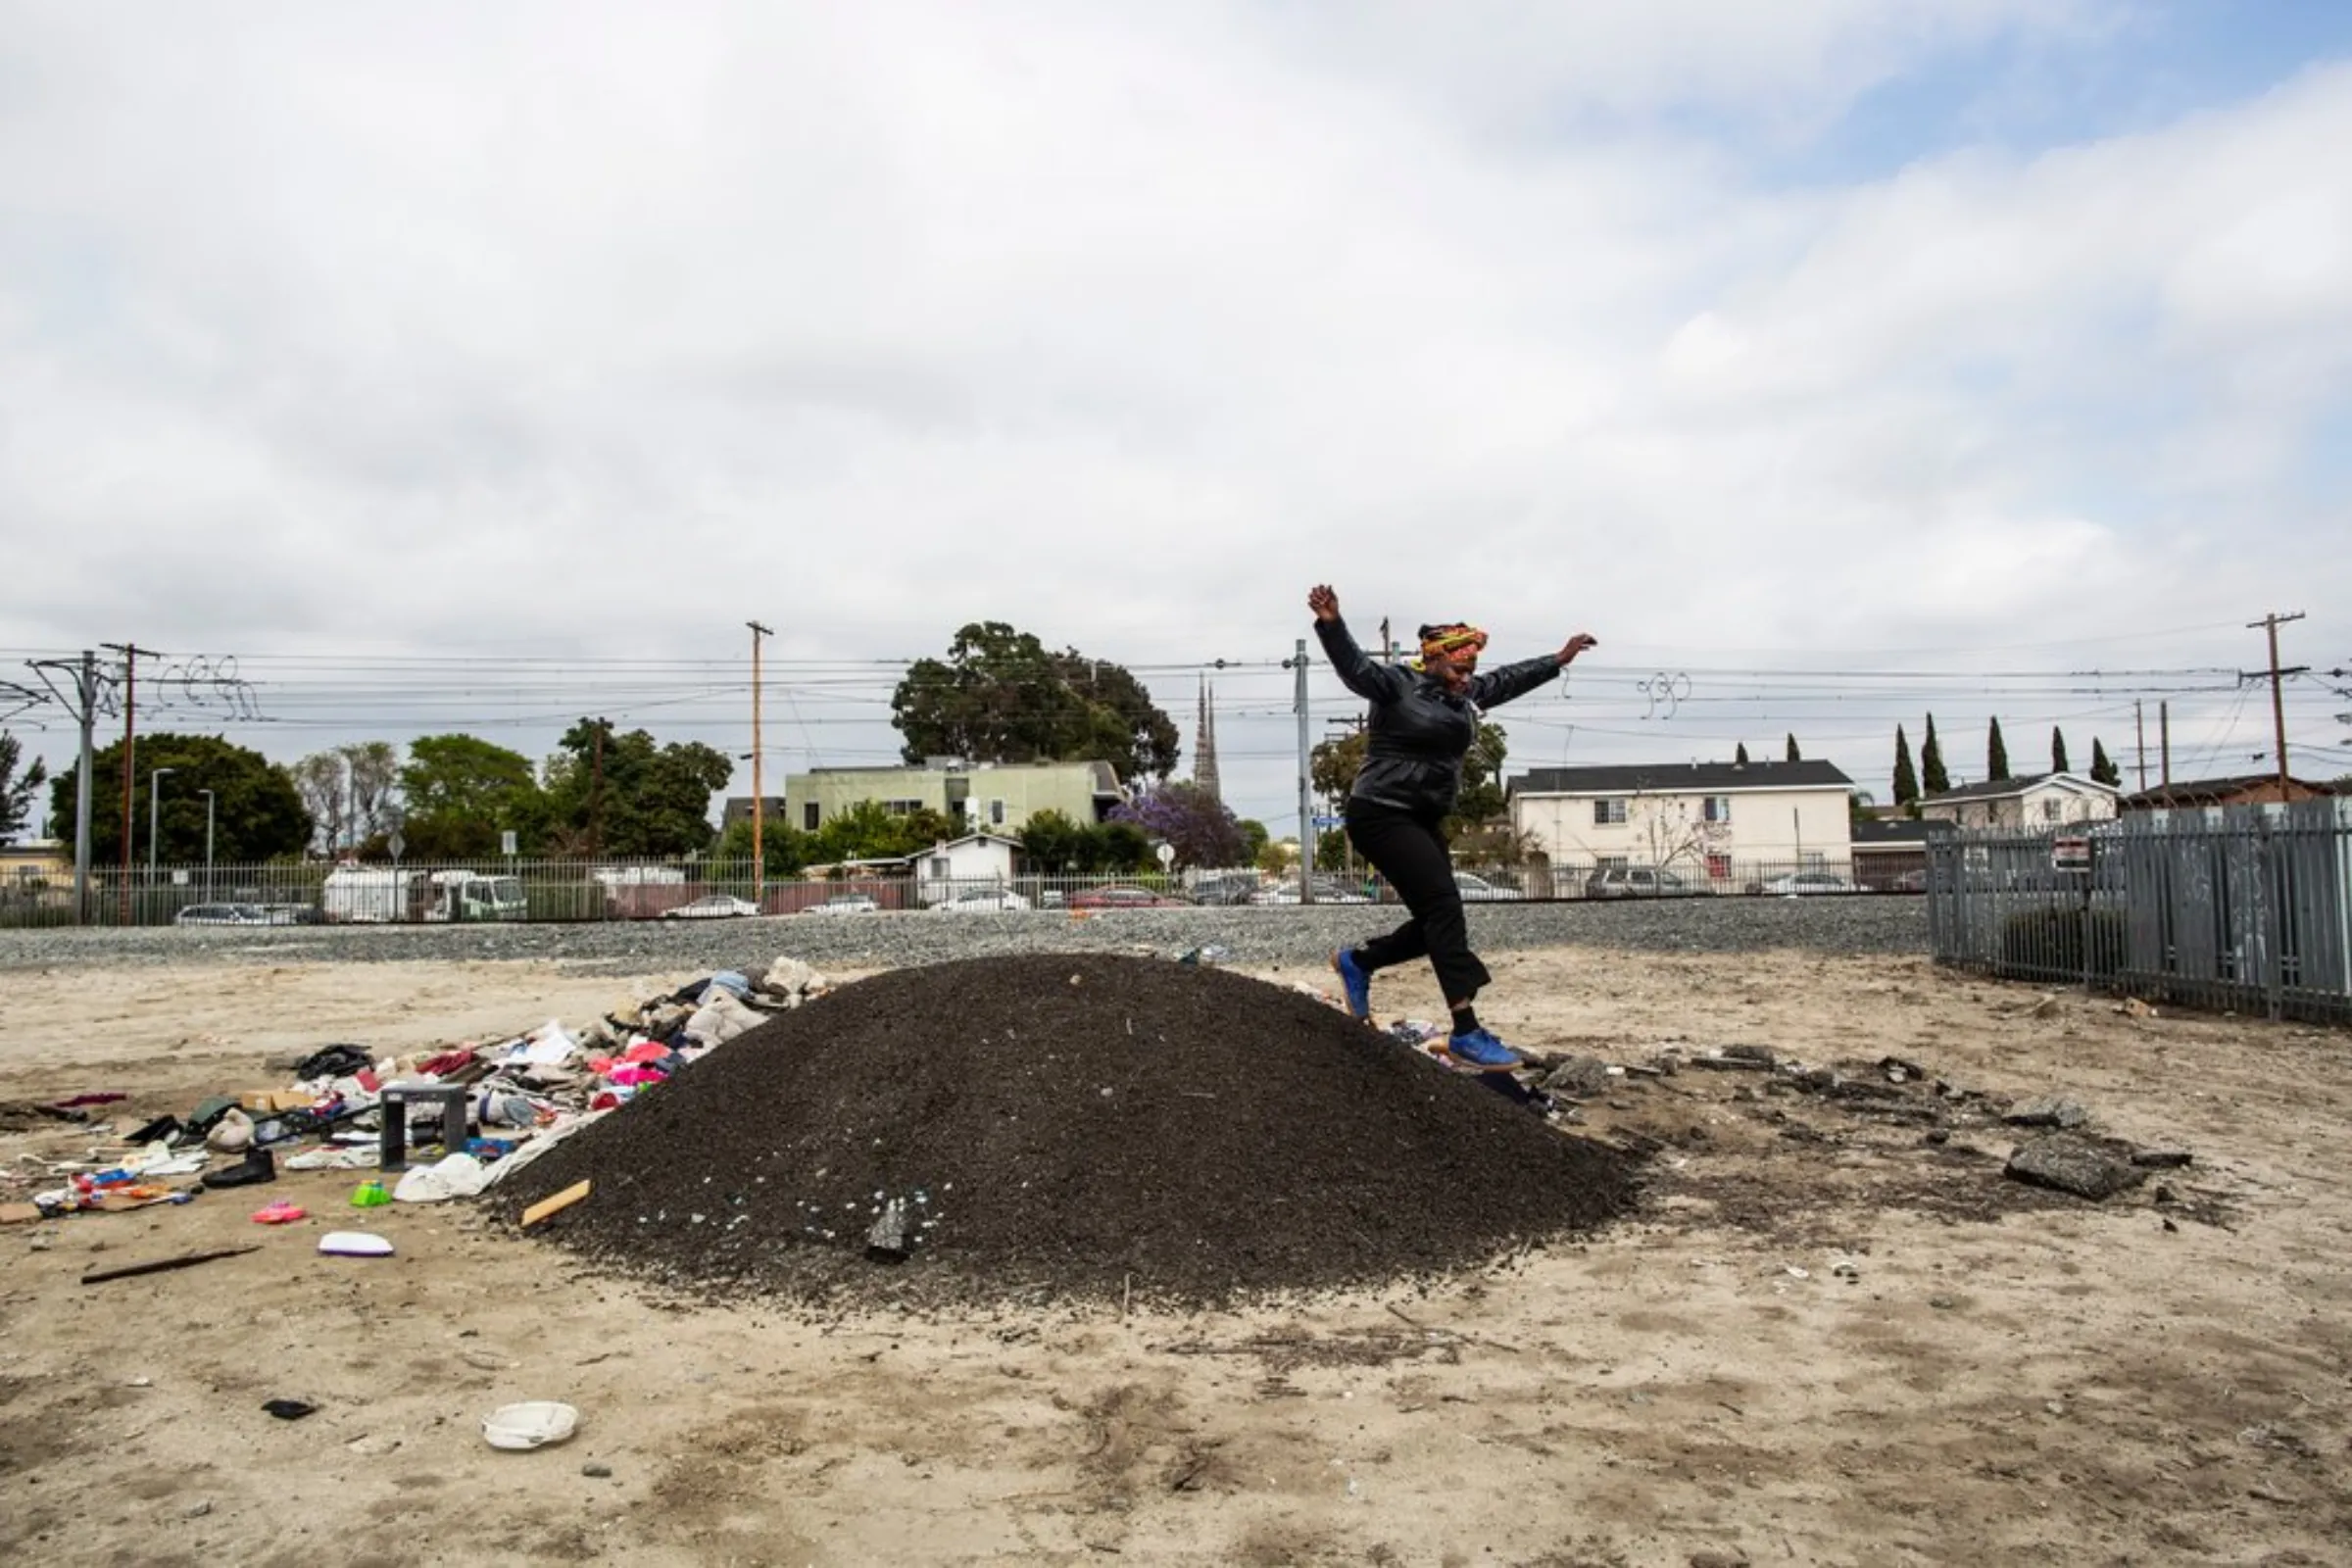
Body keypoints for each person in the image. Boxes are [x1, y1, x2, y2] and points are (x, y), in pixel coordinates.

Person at [1308, 584, 1597, 1069]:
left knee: (1434, 923)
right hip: (1379, 811)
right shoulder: (1396, 684)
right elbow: (1355, 669)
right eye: (1460, 669)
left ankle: (1359, 961)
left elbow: (1505, 681)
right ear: (1435, 660)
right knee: (1444, 906)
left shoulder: (1462, 697)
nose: (1468, 679)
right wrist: (1332, 625)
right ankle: (1466, 1029)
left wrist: (1557, 660)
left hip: (1422, 817)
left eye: (1471, 671)